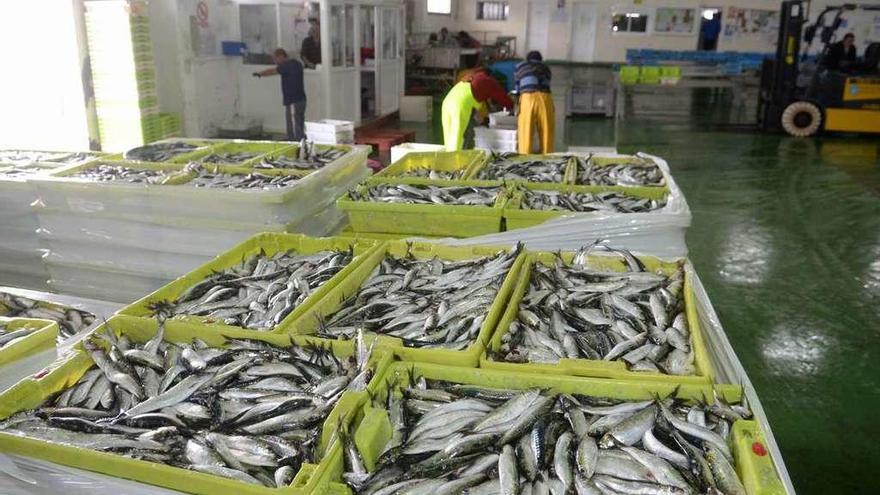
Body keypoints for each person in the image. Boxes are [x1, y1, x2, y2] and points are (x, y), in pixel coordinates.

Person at [441, 69, 513, 151]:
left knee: (450, 138)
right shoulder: (489, 81)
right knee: (459, 138)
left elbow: (482, 106)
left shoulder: (472, 76)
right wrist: (512, 105)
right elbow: (504, 99)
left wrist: (484, 120)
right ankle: (459, 161)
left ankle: (448, 159)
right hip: (460, 105)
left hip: (447, 101)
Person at [252, 49, 306, 141]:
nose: (275, 62)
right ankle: (302, 143)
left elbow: (272, 71)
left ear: (281, 56)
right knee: (299, 123)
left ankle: (295, 144)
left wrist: (260, 74)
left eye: (275, 59)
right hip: (301, 100)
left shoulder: (286, 66)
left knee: (293, 126)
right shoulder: (297, 64)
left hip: (293, 101)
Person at [514, 51, 555, 154]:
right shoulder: (546, 68)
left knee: (526, 131)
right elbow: (546, 82)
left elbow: (517, 87)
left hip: (527, 98)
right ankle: (547, 156)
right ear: (540, 60)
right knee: (546, 131)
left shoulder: (520, 66)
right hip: (545, 98)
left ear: (527, 59)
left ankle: (524, 156)